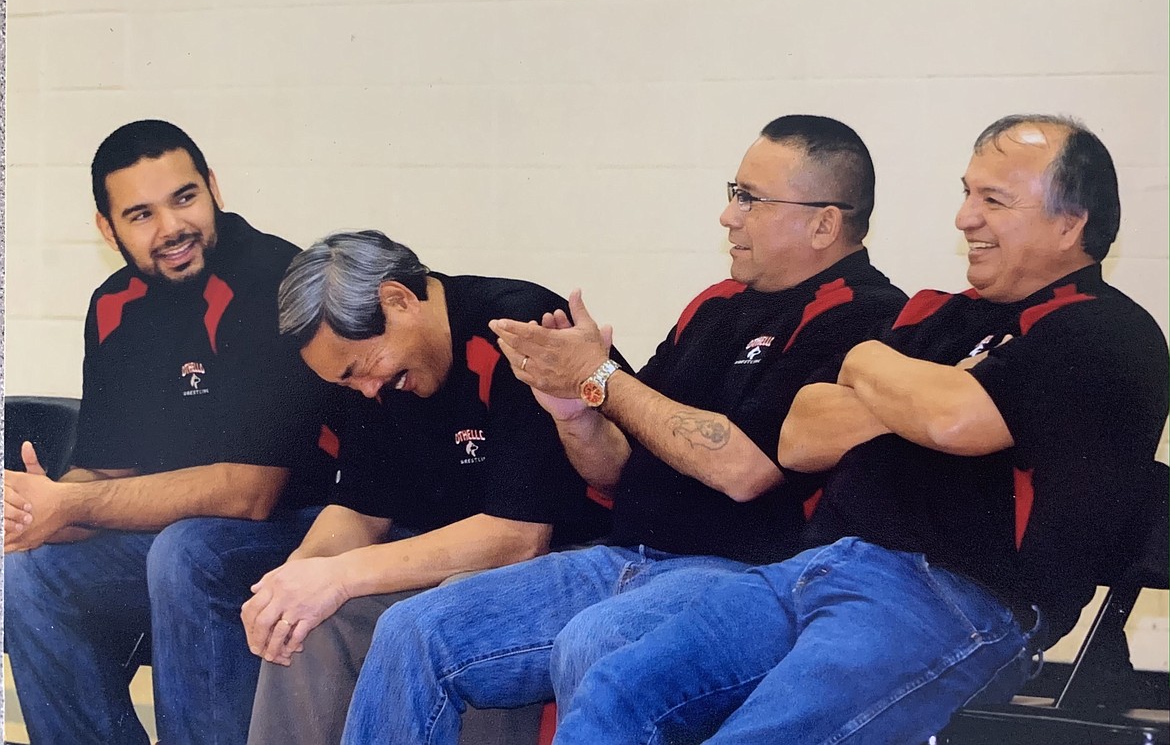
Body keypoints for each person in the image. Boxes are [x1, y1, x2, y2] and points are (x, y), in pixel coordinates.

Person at [544, 114, 1170, 745]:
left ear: (1070, 223)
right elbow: (803, 432)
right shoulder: (941, 314)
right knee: (616, 689)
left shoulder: (1106, 333)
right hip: (817, 567)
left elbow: (953, 419)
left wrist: (890, 382)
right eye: (966, 192)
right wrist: (893, 376)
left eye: (993, 200)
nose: (964, 219)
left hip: (955, 599)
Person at [339, 114, 909, 743]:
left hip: (743, 575)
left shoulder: (869, 315)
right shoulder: (714, 304)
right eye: (733, 193)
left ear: (824, 222)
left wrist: (603, 377)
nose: (729, 216)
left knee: (601, 638)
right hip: (622, 555)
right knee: (413, 630)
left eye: (750, 198)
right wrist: (575, 410)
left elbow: (745, 471)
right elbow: (618, 468)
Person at [3, 119, 339, 745]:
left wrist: (72, 502)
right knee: (28, 570)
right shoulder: (113, 305)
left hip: (307, 530)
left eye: (184, 198)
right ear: (108, 229)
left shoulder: (273, 277)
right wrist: (33, 511)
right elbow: (106, 475)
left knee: (187, 551)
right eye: (140, 214)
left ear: (213, 187)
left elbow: (251, 492)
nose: (171, 229)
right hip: (179, 542)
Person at [243, 230, 612, 745]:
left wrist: (341, 575)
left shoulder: (517, 325)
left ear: (398, 300)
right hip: (456, 559)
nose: (367, 390)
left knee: (456, 608)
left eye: (360, 370)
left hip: (582, 560)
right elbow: (359, 508)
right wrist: (296, 580)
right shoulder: (371, 378)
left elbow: (518, 538)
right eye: (346, 384)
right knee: (305, 624)